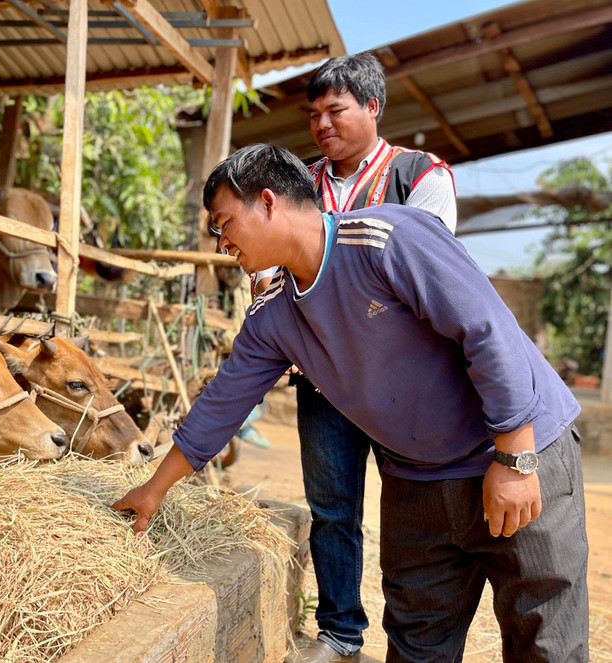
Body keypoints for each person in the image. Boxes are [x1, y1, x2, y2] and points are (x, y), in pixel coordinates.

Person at [113, 144, 588, 663]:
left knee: (545, 640)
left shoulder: (388, 237)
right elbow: (222, 403)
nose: (220, 242)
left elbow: (486, 328)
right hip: (418, 482)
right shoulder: (272, 316)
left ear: (268, 202)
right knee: (415, 644)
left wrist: (516, 459)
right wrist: (155, 489)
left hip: (514, 452)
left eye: (223, 223)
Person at [248, 52, 458, 662]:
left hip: (403, 383)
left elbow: (426, 275)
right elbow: (266, 266)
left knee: (412, 511)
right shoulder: (293, 186)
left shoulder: (421, 176)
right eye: (313, 114)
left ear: (372, 106)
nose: (321, 124)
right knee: (332, 509)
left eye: (335, 109)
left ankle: (413, 638)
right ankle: (340, 633)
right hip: (323, 379)